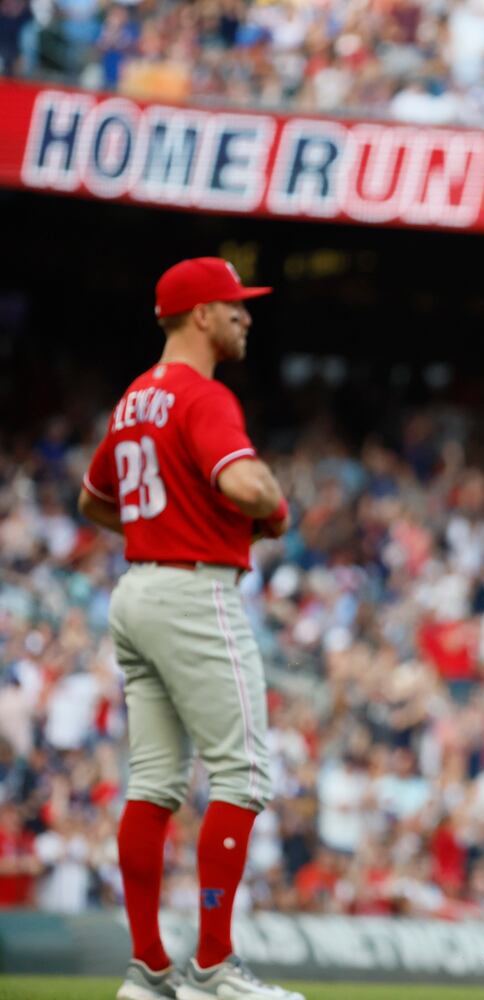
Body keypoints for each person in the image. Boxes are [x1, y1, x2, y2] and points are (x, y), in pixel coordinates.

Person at [78, 258, 301, 1000]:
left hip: (136, 589)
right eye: (234, 306)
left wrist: (159, 519)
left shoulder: (134, 398)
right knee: (242, 775)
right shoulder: (202, 395)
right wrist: (271, 508)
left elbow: (94, 499)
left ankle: (147, 969)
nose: (245, 316)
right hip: (192, 590)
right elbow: (243, 483)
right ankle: (212, 967)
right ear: (200, 314)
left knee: (153, 782)